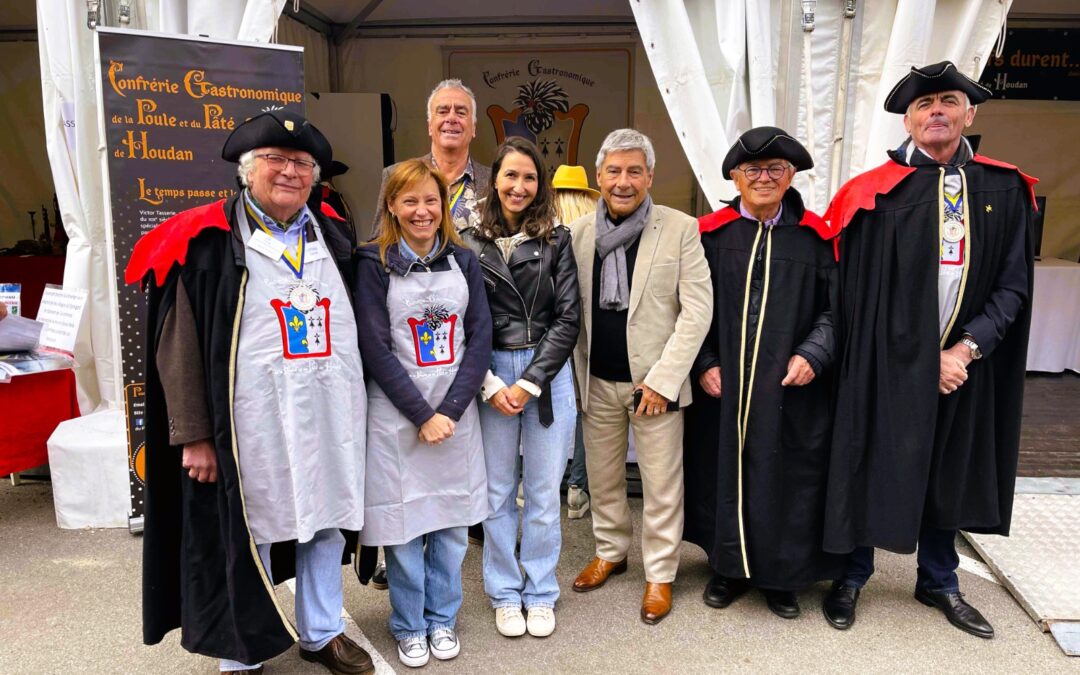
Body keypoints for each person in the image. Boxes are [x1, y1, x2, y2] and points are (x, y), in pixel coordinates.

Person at [126, 110, 373, 674]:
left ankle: (322, 632)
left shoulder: (332, 231)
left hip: (330, 414)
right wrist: (194, 435)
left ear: (317, 176)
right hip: (247, 423)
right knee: (248, 525)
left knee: (327, 519)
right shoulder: (205, 238)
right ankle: (239, 649)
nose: (290, 172)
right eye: (275, 161)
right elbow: (178, 345)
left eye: (302, 164)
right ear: (246, 171)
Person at [822, 61, 1036, 638]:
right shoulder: (871, 194)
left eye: (947, 101)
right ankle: (853, 573)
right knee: (873, 457)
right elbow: (853, 297)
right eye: (923, 105)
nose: (935, 111)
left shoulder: (1004, 187)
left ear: (969, 113)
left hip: (964, 364)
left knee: (949, 464)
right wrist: (917, 361)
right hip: (883, 363)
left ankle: (939, 578)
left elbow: (1014, 284)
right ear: (909, 120)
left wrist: (964, 351)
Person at [684, 127, 845, 620]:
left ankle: (783, 578)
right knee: (725, 472)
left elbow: (836, 312)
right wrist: (706, 362)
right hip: (725, 387)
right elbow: (689, 307)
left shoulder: (818, 239)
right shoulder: (709, 236)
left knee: (787, 478)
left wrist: (813, 354)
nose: (764, 178)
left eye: (775, 169)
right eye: (752, 170)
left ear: (791, 175)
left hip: (789, 388)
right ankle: (728, 569)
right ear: (735, 177)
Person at [568, 128, 713, 625]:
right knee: (605, 480)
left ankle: (660, 574)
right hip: (597, 381)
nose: (623, 181)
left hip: (655, 386)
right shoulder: (580, 234)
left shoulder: (680, 228)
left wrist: (663, 380)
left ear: (650, 176)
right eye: (614, 171)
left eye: (634, 171)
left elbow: (697, 311)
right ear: (599, 177)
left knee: (661, 486)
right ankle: (611, 551)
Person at [353, 159, 492, 667]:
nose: (421, 211)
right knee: (405, 532)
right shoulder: (371, 262)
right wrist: (421, 414)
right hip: (397, 417)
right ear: (391, 205)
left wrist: (449, 409)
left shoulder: (464, 261)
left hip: (454, 416)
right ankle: (409, 624)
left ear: (443, 205)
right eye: (409, 200)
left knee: (453, 529)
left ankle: (443, 619)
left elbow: (480, 338)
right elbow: (373, 346)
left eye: (430, 200)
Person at [461, 139, 580, 638]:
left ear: (540, 185)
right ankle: (505, 592)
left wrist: (530, 381)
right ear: (495, 180)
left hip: (546, 373)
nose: (519, 186)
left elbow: (568, 317)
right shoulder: (467, 239)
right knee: (496, 490)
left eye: (529, 177)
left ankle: (540, 590)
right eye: (511, 175)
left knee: (543, 490)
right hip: (488, 372)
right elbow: (464, 318)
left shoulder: (557, 238)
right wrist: (489, 383)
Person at [372, 79, 492, 235]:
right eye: (442, 111)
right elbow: (379, 243)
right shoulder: (395, 175)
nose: (451, 118)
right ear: (429, 126)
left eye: (461, 112)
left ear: (474, 128)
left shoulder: (495, 181)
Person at [552, 164, 601, 520]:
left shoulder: (544, 227)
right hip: (588, 330)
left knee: (546, 405)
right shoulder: (596, 227)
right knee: (585, 410)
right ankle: (578, 489)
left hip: (549, 330)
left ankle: (530, 484)